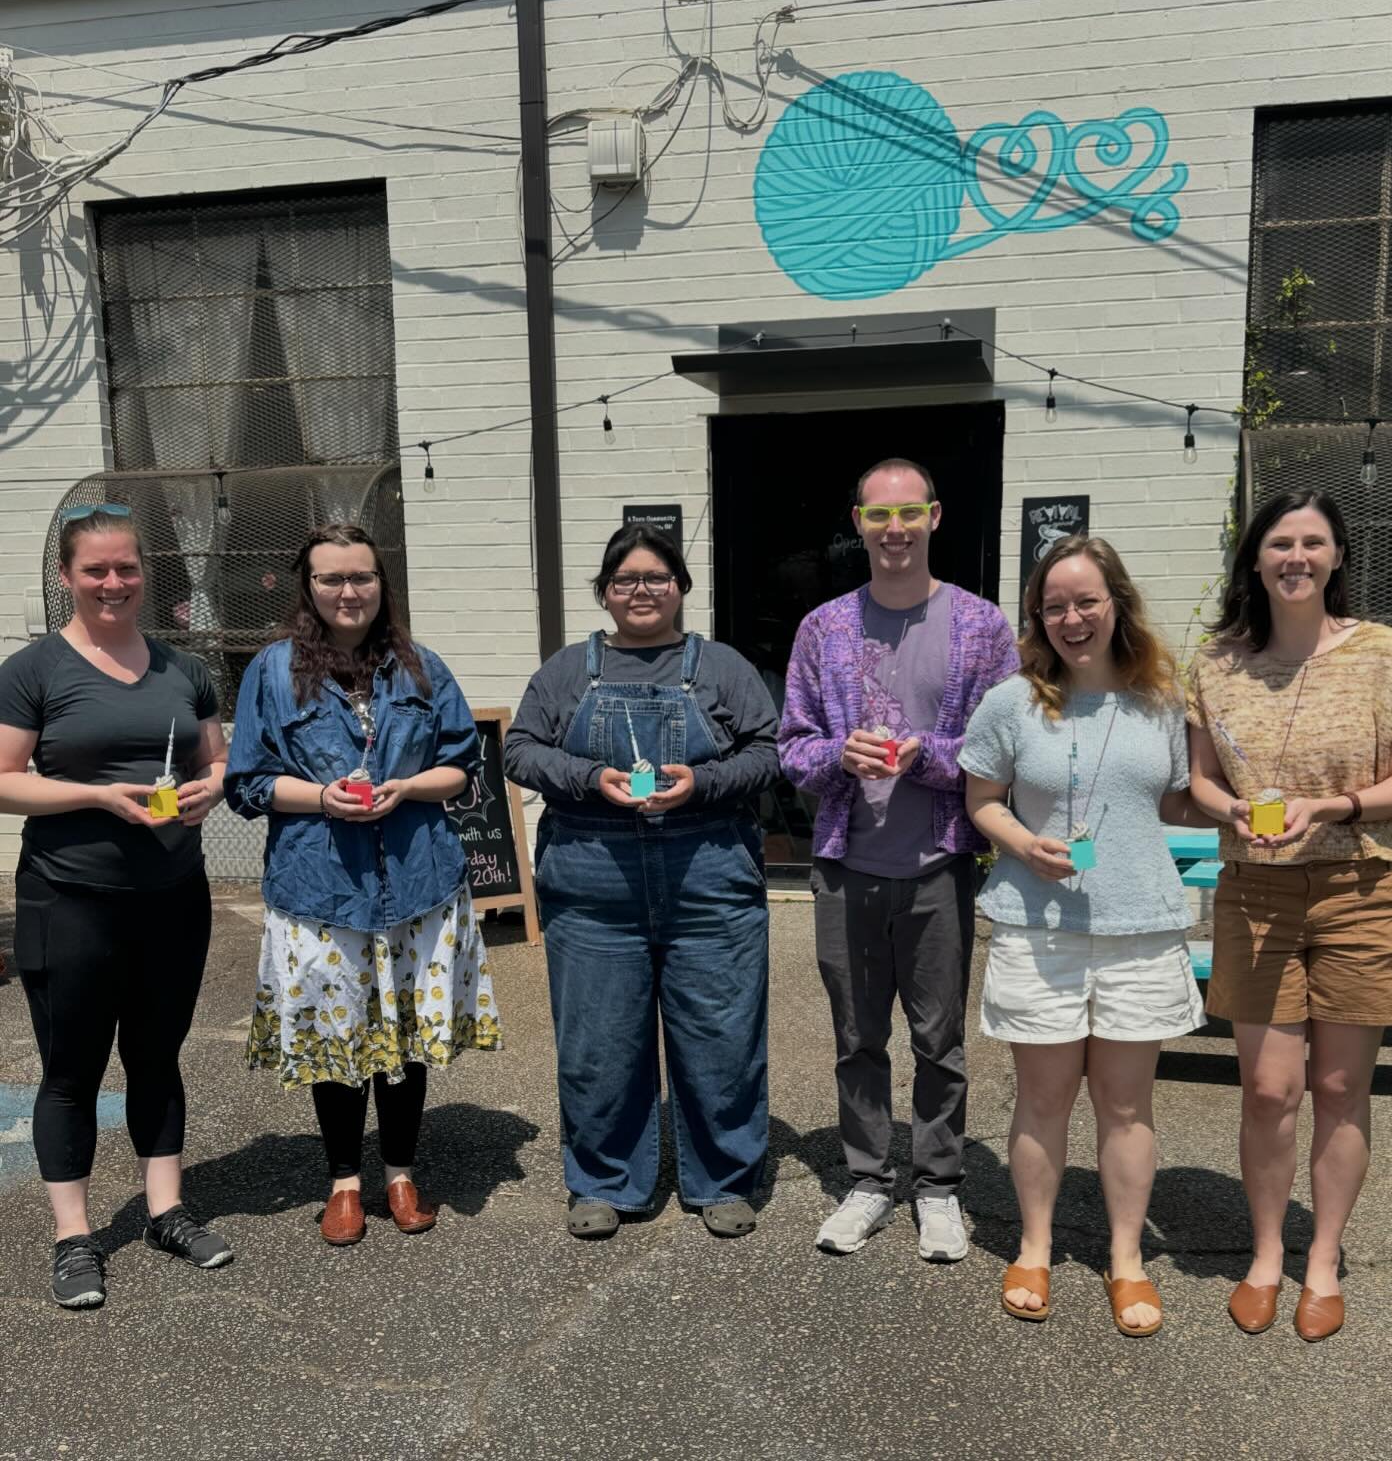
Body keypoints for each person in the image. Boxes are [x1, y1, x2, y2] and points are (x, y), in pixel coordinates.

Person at [1187, 490, 1392, 1342]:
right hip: (1256, 889)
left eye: (1312, 542)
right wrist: (1228, 809)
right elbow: (1201, 778)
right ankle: (1265, 1254)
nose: (1295, 556)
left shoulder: (1384, 652)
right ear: (1254, 559)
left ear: (1334, 556)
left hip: (1361, 886)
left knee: (1338, 1084)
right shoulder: (1215, 661)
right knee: (1266, 1088)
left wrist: (1332, 808)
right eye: (1279, 542)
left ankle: (1321, 1258)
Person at [225, 524, 502, 1247]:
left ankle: (401, 1172)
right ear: (308, 589)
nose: (349, 592)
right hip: (320, 885)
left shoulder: (420, 667)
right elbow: (248, 781)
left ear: (382, 584)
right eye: (331, 579)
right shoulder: (273, 671)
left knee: (404, 1037)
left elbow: (461, 765)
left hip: (417, 880)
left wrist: (407, 785)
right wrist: (321, 797)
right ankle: (344, 1181)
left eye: (362, 578)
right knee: (338, 1040)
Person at [960, 534, 1206, 1336]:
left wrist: (1238, 804)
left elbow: (1173, 802)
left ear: (1116, 604)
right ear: (1036, 615)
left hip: (1137, 924)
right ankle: (1032, 1246)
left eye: (1086, 600)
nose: (1071, 617)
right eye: (1054, 604)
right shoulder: (1011, 702)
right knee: (1041, 1099)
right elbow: (981, 800)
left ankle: (1126, 1259)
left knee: (1126, 1106)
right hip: (1041, 928)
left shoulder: (1160, 701)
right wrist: (1021, 842)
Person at [505, 524, 779, 1240]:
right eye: (625, 579)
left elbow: (767, 751)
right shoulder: (568, 671)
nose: (641, 590)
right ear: (603, 592)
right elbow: (520, 749)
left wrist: (704, 782)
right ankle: (601, 1180)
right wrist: (589, 778)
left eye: (656, 577)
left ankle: (721, 1179)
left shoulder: (721, 667)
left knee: (721, 1035)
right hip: (595, 879)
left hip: (708, 873)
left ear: (681, 586)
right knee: (600, 1041)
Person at [779, 458, 1018, 1263]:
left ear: (934, 517)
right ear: (858, 522)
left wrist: (926, 755)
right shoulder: (823, 628)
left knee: (937, 1038)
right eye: (878, 515)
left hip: (939, 859)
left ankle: (940, 1184)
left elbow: (1001, 748)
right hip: (846, 862)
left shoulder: (982, 626)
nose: (893, 529)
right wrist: (835, 756)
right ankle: (870, 1178)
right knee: (855, 1035)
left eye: (908, 513)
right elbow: (792, 747)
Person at [0, 504, 233, 1309]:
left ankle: (167, 1210)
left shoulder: (183, 666)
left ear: (144, 574)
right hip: (70, 897)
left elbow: (215, 755)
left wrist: (214, 786)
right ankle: (74, 1236)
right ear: (67, 576)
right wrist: (100, 796)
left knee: (157, 1054)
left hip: (172, 895)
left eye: (126, 568)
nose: (112, 582)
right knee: (71, 1069)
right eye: (95, 569)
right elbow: (3, 780)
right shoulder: (33, 671)